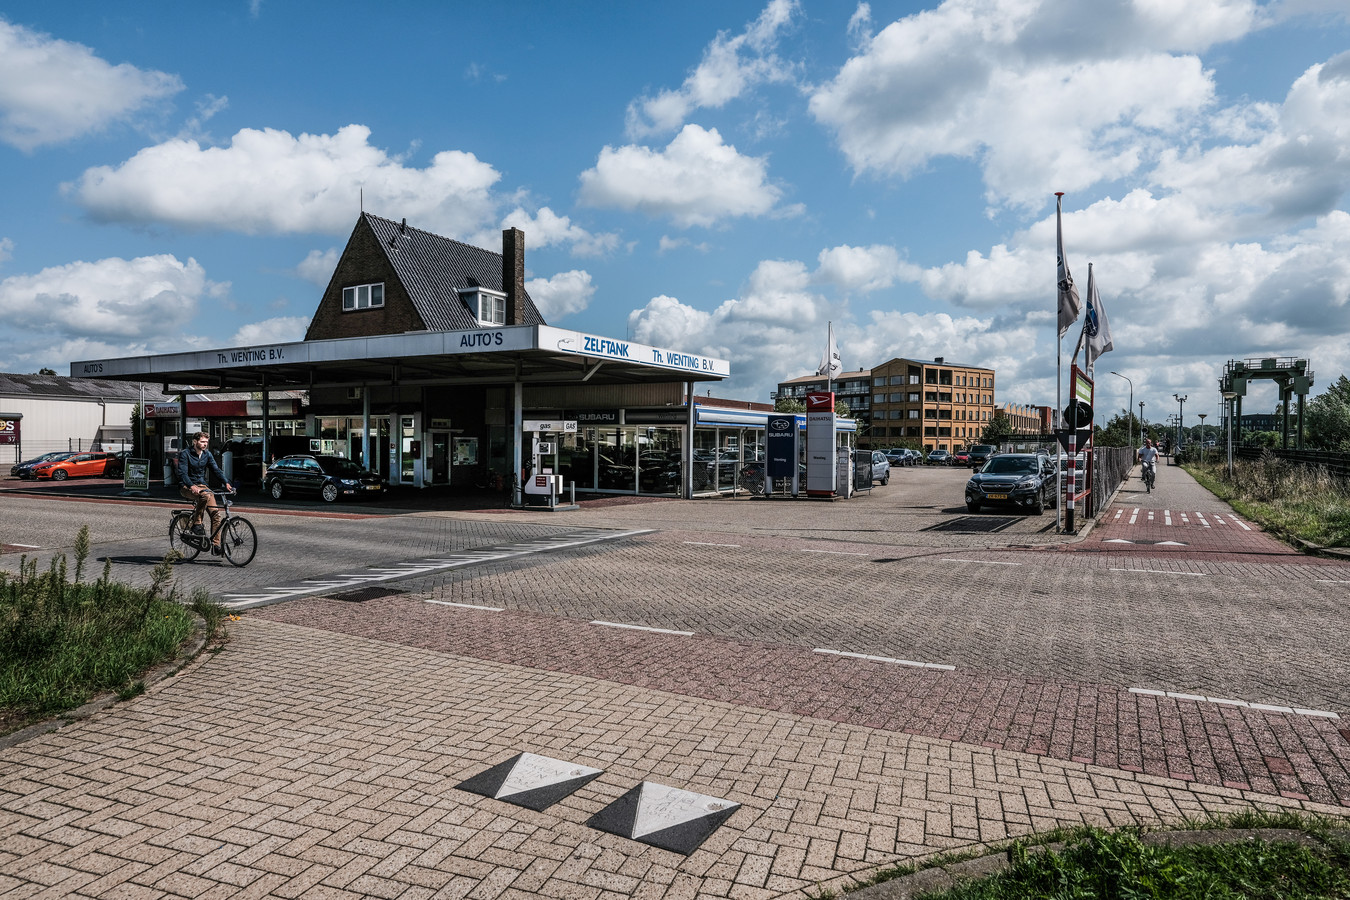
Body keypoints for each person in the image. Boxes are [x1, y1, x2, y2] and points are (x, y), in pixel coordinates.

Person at [177, 431, 233, 555]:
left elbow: (216, 470)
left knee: (216, 515)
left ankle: (216, 545)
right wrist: (191, 486)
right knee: (204, 495)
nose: (205, 444)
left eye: (206, 442)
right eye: (202, 442)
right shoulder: (185, 454)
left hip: (203, 486)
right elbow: (182, 474)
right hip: (186, 486)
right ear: (195, 442)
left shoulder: (207, 454)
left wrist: (226, 482)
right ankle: (197, 523)